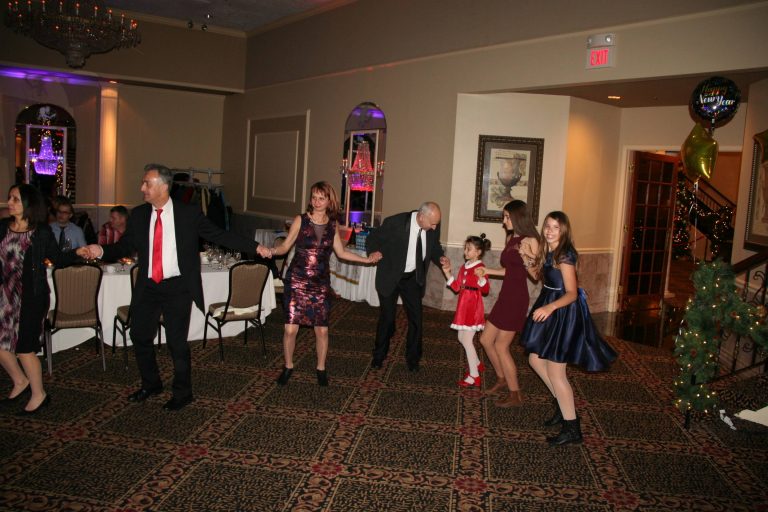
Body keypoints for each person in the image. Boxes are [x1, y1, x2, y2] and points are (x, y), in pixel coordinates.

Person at [77, 164, 272, 412]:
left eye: (147, 183)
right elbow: (124, 247)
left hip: (177, 287)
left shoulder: (187, 213)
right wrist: (100, 250)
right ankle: (151, 384)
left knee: (176, 342)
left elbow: (219, 235)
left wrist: (255, 247)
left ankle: (183, 392)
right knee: (139, 335)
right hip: (148, 286)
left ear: (163, 186)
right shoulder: (139, 215)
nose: (142, 188)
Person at [521, 211, 617, 445]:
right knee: (535, 360)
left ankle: (572, 429)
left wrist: (550, 307)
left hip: (562, 311)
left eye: (556, 227)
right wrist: (526, 257)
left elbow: (572, 293)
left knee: (557, 372)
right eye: (547, 226)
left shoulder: (565, 255)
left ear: (563, 231)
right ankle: (563, 405)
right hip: (550, 305)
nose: (550, 231)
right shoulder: (549, 250)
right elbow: (539, 276)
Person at [271, 181, 378, 387]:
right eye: (314, 197)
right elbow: (284, 247)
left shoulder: (332, 225)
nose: (317, 202)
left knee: (321, 330)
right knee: (290, 329)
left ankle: (321, 368)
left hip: (320, 283)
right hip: (297, 280)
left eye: (321, 198)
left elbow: (342, 253)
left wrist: (367, 260)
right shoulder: (301, 220)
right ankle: (288, 366)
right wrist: (271, 251)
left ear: (329, 201)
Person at [0, 184, 74, 414]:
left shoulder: (40, 232)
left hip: (31, 298)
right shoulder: (2, 227)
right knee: (2, 344)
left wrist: (80, 253)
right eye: (10, 198)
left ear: (28, 204)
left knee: (24, 348)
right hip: (4, 296)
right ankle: (20, 381)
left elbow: (59, 259)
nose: (9, 202)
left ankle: (39, 394)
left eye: (15, 199)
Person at [366, 202, 449, 372]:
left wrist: (441, 258)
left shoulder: (433, 226)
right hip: (390, 275)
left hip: (412, 278)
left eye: (436, 223)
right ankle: (379, 355)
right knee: (387, 318)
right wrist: (373, 251)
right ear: (421, 217)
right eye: (432, 223)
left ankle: (413, 358)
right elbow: (373, 238)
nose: (434, 227)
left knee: (416, 319)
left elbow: (434, 246)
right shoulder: (395, 222)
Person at [475, 200, 539, 407]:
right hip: (506, 296)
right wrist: (488, 270)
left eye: (507, 217)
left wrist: (527, 255)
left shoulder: (531, 240)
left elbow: (536, 275)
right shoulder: (511, 238)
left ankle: (515, 394)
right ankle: (502, 378)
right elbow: (509, 270)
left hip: (517, 298)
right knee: (486, 340)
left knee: (501, 346)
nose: (504, 221)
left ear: (518, 217)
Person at [441, 233, 491, 388]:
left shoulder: (481, 268)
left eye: (469, 249)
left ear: (478, 252)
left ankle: (474, 375)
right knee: (461, 338)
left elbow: (485, 290)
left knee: (467, 341)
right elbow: (457, 287)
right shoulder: (465, 266)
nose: (465, 252)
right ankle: (477, 363)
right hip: (463, 306)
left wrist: (481, 278)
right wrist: (447, 272)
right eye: (465, 248)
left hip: (473, 308)